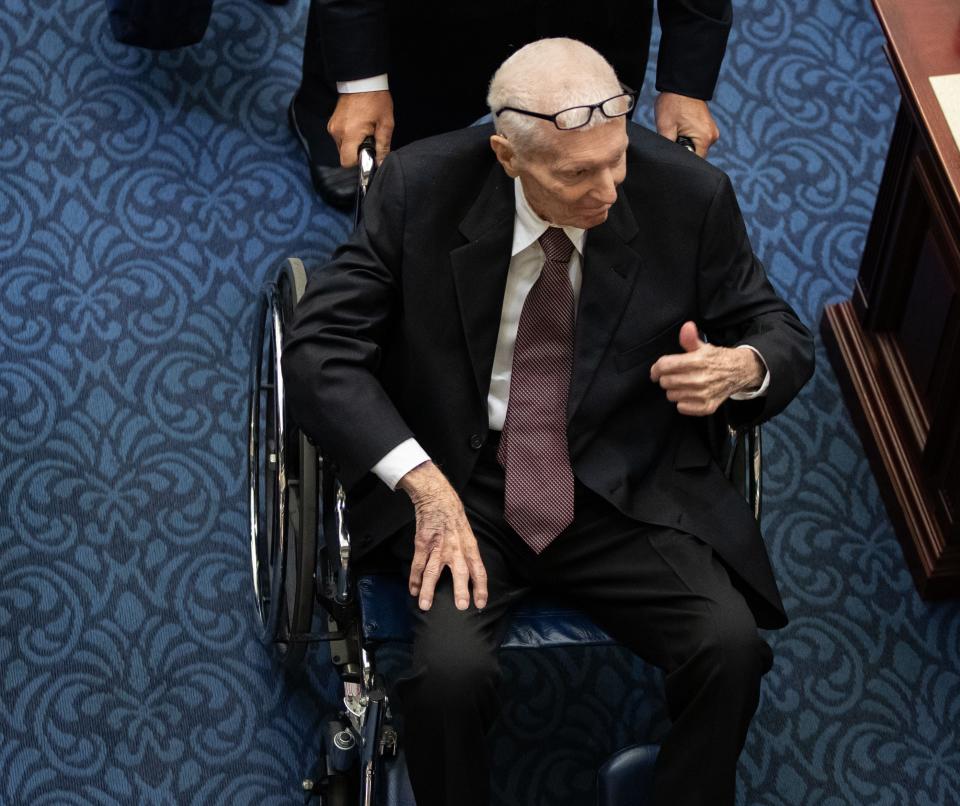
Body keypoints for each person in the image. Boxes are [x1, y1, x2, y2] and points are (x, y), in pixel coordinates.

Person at [283, 38, 814, 806]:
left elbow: (781, 331)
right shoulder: (419, 189)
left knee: (729, 652)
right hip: (462, 490)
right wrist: (422, 485)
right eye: (577, 174)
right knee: (445, 679)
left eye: (616, 159)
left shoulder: (686, 197)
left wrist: (744, 366)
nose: (609, 189)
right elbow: (318, 349)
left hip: (622, 480)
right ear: (508, 157)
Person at [289, 0, 731, 208]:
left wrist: (685, 85)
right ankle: (316, 109)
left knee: (576, 161)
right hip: (431, 30)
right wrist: (360, 83)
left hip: (592, 24)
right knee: (393, 136)